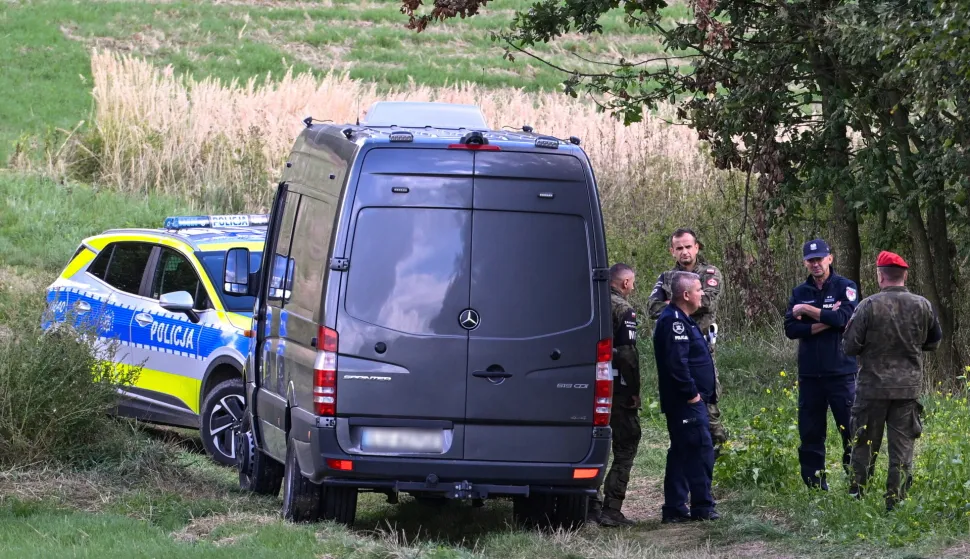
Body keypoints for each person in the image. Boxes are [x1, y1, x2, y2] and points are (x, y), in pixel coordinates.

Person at [842, 251, 942, 511]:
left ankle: (857, 498)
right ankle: (895, 503)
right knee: (902, 449)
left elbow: (849, 346)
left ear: (880, 275)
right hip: (906, 389)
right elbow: (934, 341)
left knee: (863, 445)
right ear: (904, 275)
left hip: (871, 389)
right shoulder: (923, 305)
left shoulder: (868, 306)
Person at [783, 238, 860, 490]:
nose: (816, 264)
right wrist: (828, 321)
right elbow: (792, 329)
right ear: (805, 262)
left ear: (830, 258)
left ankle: (856, 486)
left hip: (841, 373)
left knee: (851, 432)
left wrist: (807, 310)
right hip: (810, 375)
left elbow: (846, 317)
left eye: (820, 258)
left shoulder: (845, 286)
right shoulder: (799, 291)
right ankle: (815, 488)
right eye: (810, 260)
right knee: (811, 434)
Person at [648, 228, 728, 455]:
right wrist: (685, 303)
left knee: (708, 408)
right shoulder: (667, 277)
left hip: (702, 348)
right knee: (681, 406)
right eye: (679, 248)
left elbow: (708, 303)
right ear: (672, 251)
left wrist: (673, 304)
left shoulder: (710, 273)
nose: (684, 252)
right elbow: (652, 307)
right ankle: (688, 457)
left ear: (697, 247)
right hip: (676, 348)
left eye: (688, 247)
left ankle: (718, 457)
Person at [653, 271, 719, 523]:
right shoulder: (674, 322)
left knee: (681, 452)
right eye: (699, 289)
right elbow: (676, 365)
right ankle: (702, 506)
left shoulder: (683, 319)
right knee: (699, 450)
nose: (702, 293)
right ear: (686, 294)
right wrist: (692, 396)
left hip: (688, 402)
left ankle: (675, 508)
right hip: (685, 403)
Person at [590, 263, 643, 527]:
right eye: (632, 282)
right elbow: (627, 355)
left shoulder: (588, 302)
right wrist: (634, 390)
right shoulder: (623, 309)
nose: (633, 287)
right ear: (624, 283)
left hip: (586, 387)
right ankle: (611, 509)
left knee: (590, 444)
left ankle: (589, 505)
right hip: (617, 390)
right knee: (626, 445)